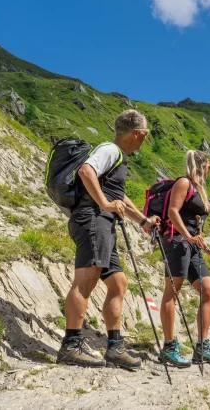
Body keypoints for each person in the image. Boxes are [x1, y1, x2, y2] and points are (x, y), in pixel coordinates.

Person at [57, 110, 161, 369]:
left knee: (118, 283)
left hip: (102, 223)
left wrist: (144, 221)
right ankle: (70, 346)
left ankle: (114, 347)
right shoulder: (110, 150)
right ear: (137, 133)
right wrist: (104, 204)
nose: (146, 138)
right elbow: (86, 171)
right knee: (85, 281)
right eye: (146, 134)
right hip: (92, 220)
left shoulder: (118, 158)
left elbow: (119, 196)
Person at [159, 150, 210, 368]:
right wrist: (187, 237)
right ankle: (169, 346)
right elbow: (173, 212)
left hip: (192, 247)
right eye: (208, 165)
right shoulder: (184, 183)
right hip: (177, 242)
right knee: (172, 292)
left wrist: (206, 249)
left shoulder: (199, 189)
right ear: (201, 165)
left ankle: (202, 347)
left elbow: (194, 226)